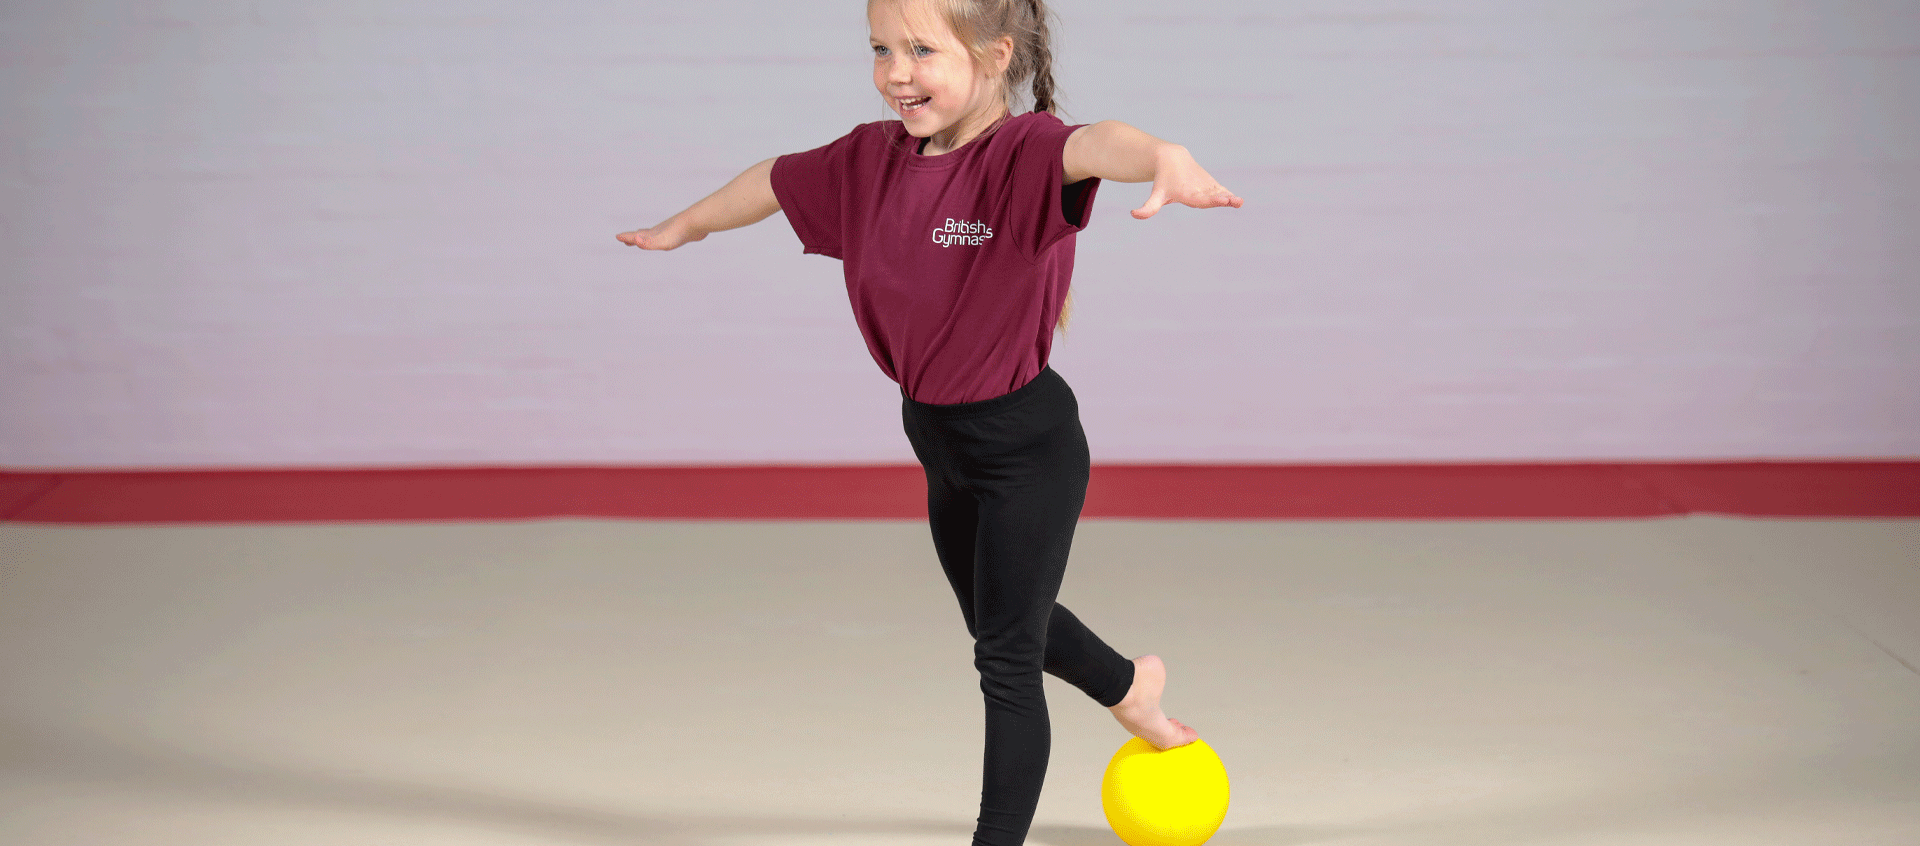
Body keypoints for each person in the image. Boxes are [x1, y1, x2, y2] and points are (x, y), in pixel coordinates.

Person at [617, 1, 1242, 842]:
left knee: (1005, 659)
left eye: (919, 49)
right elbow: (773, 179)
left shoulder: (1021, 155)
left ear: (995, 55)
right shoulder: (870, 160)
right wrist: (685, 226)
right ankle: (1134, 689)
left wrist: (1164, 155)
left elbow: (1098, 144)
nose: (895, 72)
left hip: (1027, 449)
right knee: (998, 621)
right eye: (880, 49)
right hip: (940, 442)